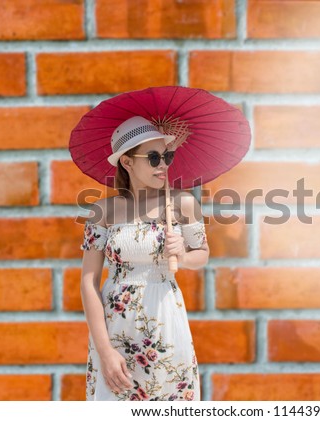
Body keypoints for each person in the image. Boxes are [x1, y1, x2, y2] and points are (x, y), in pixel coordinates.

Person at [79, 116, 209, 401]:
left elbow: (202, 254)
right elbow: (88, 283)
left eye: (166, 156)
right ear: (126, 162)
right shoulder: (103, 211)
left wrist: (183, 256)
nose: (162, 165)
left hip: (165, 319)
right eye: (152, 158)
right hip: (115, 327)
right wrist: (105, 350)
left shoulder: (182, 203)